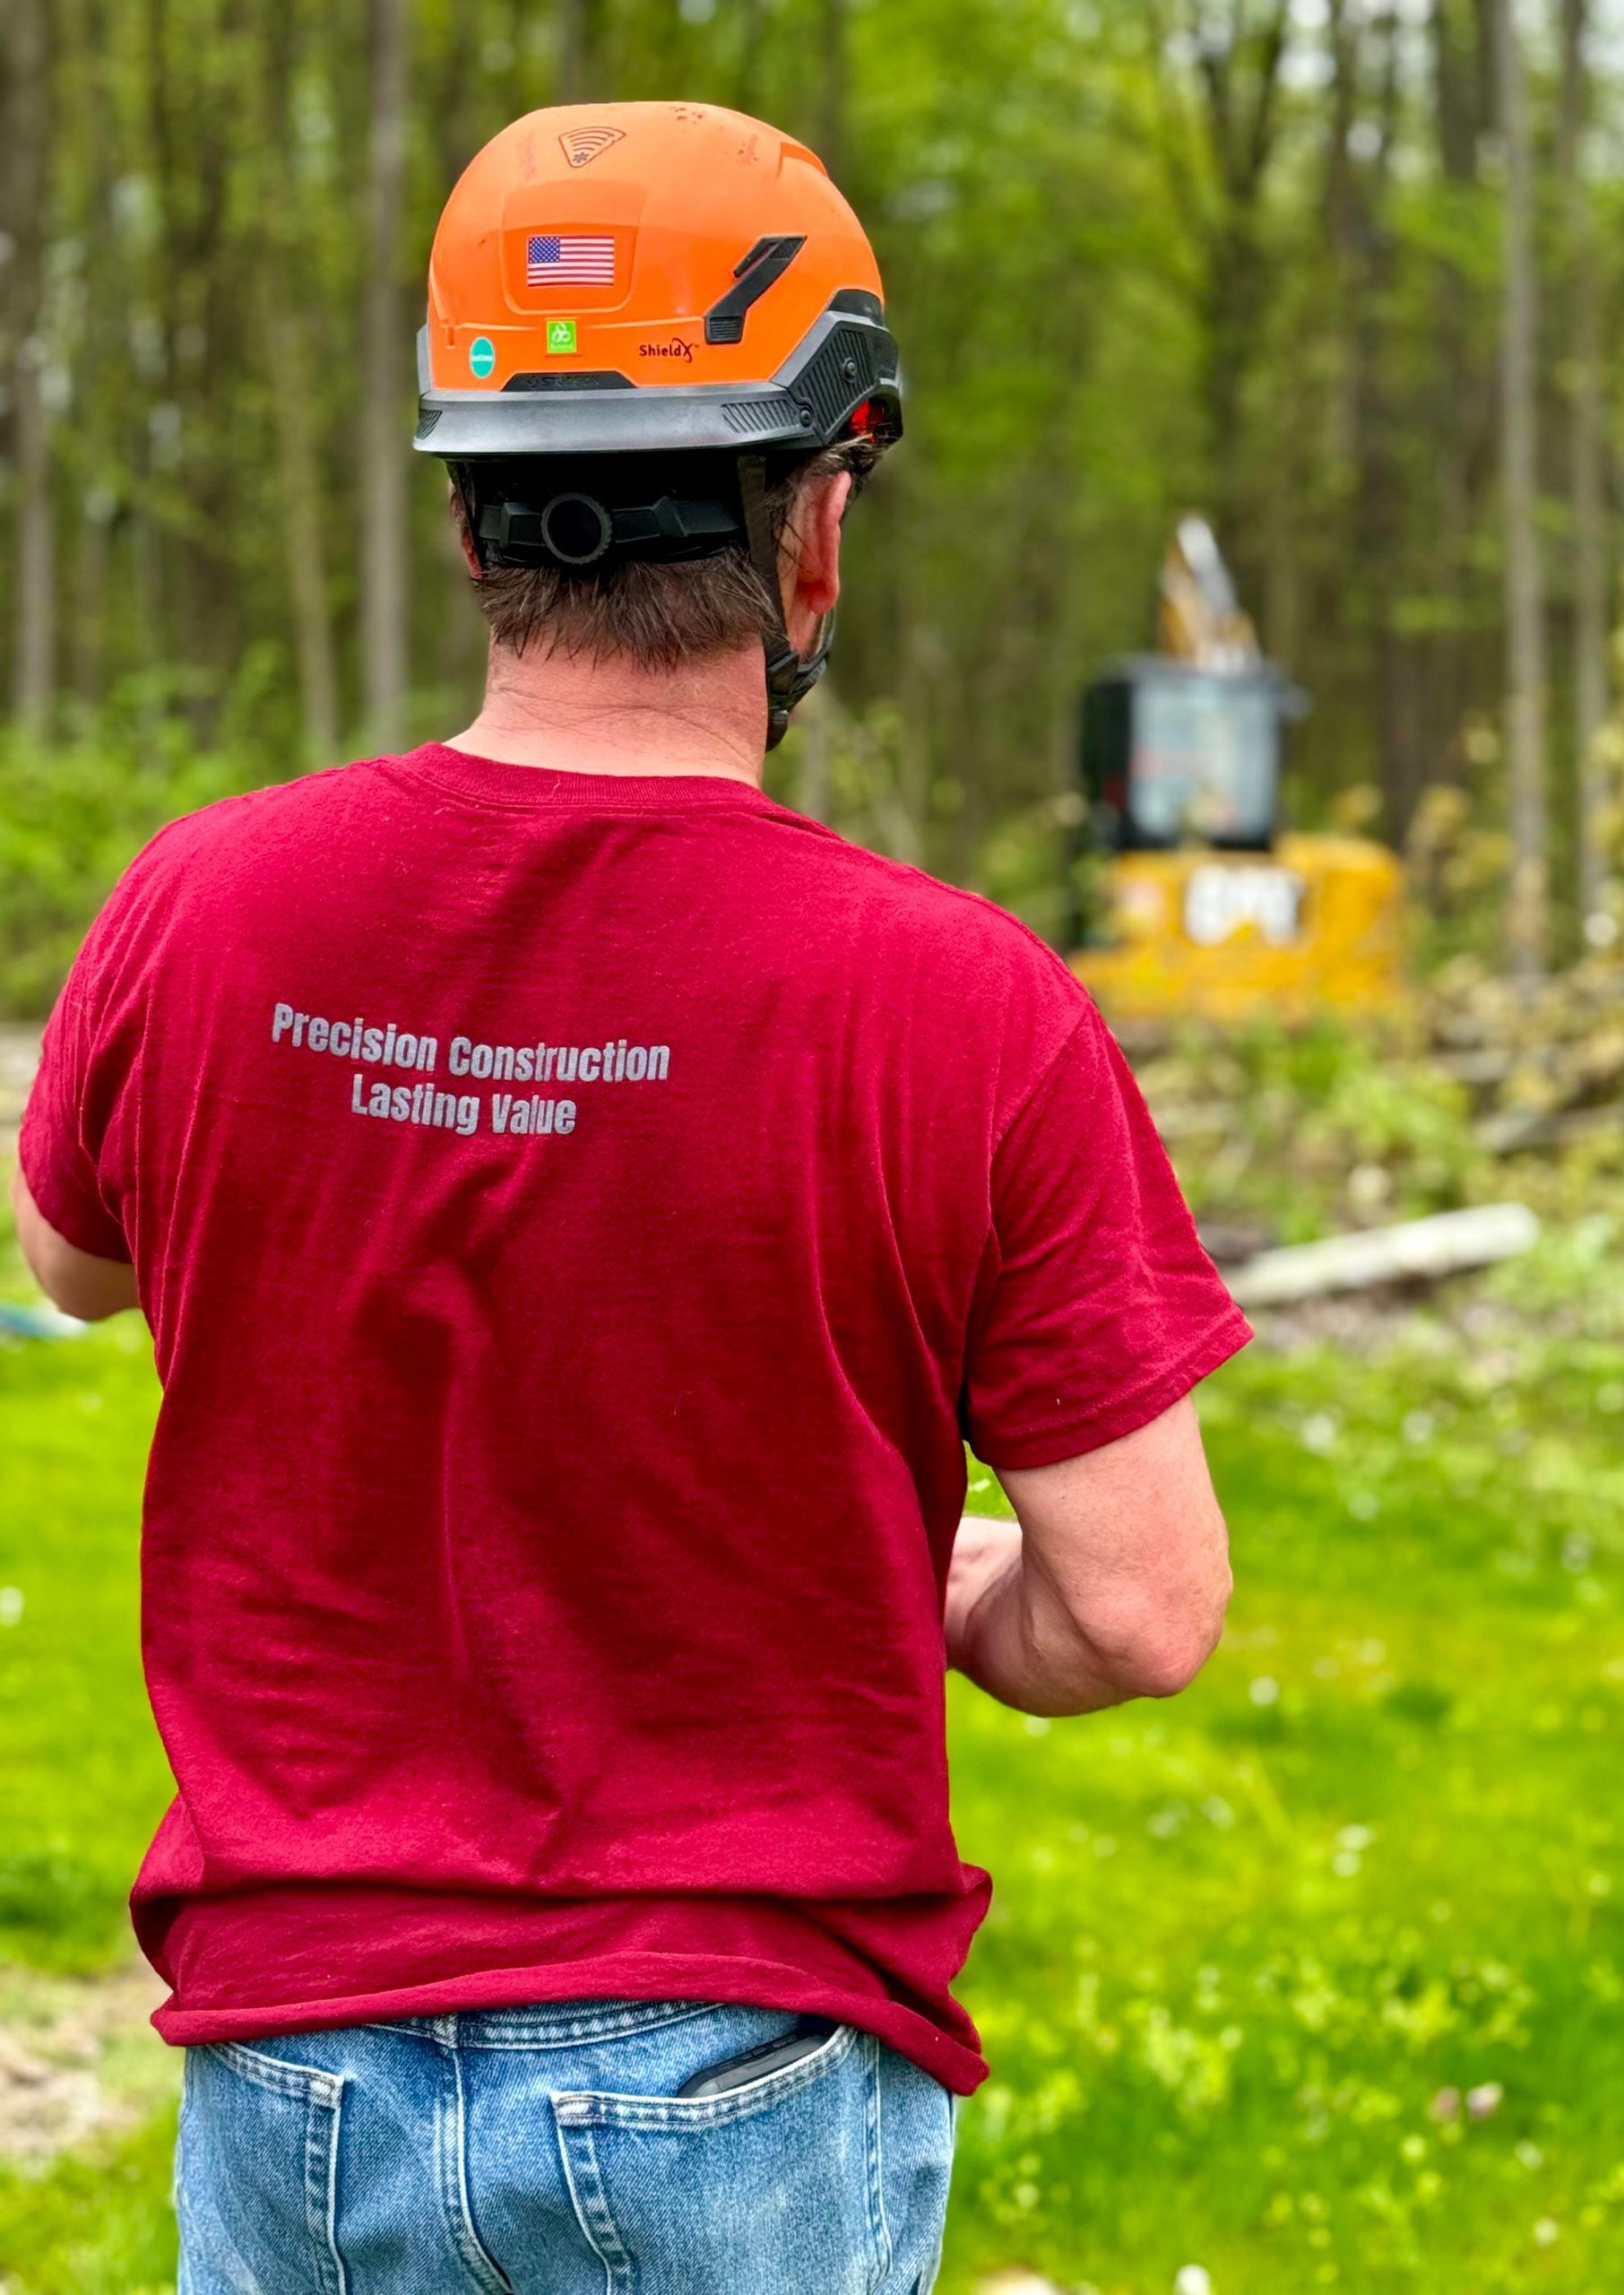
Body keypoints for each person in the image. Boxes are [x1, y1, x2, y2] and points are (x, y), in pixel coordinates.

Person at [13, 101, 1248, 2294]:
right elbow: (1139, 1609)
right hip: (734, 2078)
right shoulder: (965, 1009)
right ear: (819, 525)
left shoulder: (200, 907)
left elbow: (73, 1258)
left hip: (292, 2071)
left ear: (475, 508)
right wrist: (952, 1588)